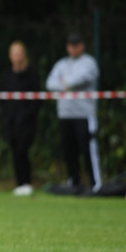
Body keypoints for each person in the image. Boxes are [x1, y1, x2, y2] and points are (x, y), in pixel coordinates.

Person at [46, 32, 101, 193]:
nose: (73, 48)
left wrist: (65, 82)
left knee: (88, 150)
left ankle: (96, 185)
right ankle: (74, 183)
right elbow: (50, 83)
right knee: (69, 151)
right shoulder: (61, 64)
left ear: (82, 45)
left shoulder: (89, 62)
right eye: (70, 45)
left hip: (84, 114)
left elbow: (81, 78)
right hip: (64, 114)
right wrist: (66, 85)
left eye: (76, 44)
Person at [0, 41, 41, 196]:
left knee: (23, 150)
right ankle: (19, 184)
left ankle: (26, 182)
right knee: (15, 151)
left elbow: (37, 99)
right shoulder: (7, 76)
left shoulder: (32, 75)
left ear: (24, 55)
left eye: (19, 53)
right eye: (14, 53)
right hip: (11, 122)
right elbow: (1, 99)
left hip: (27, 121)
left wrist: (28, 115)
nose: (17, 56)